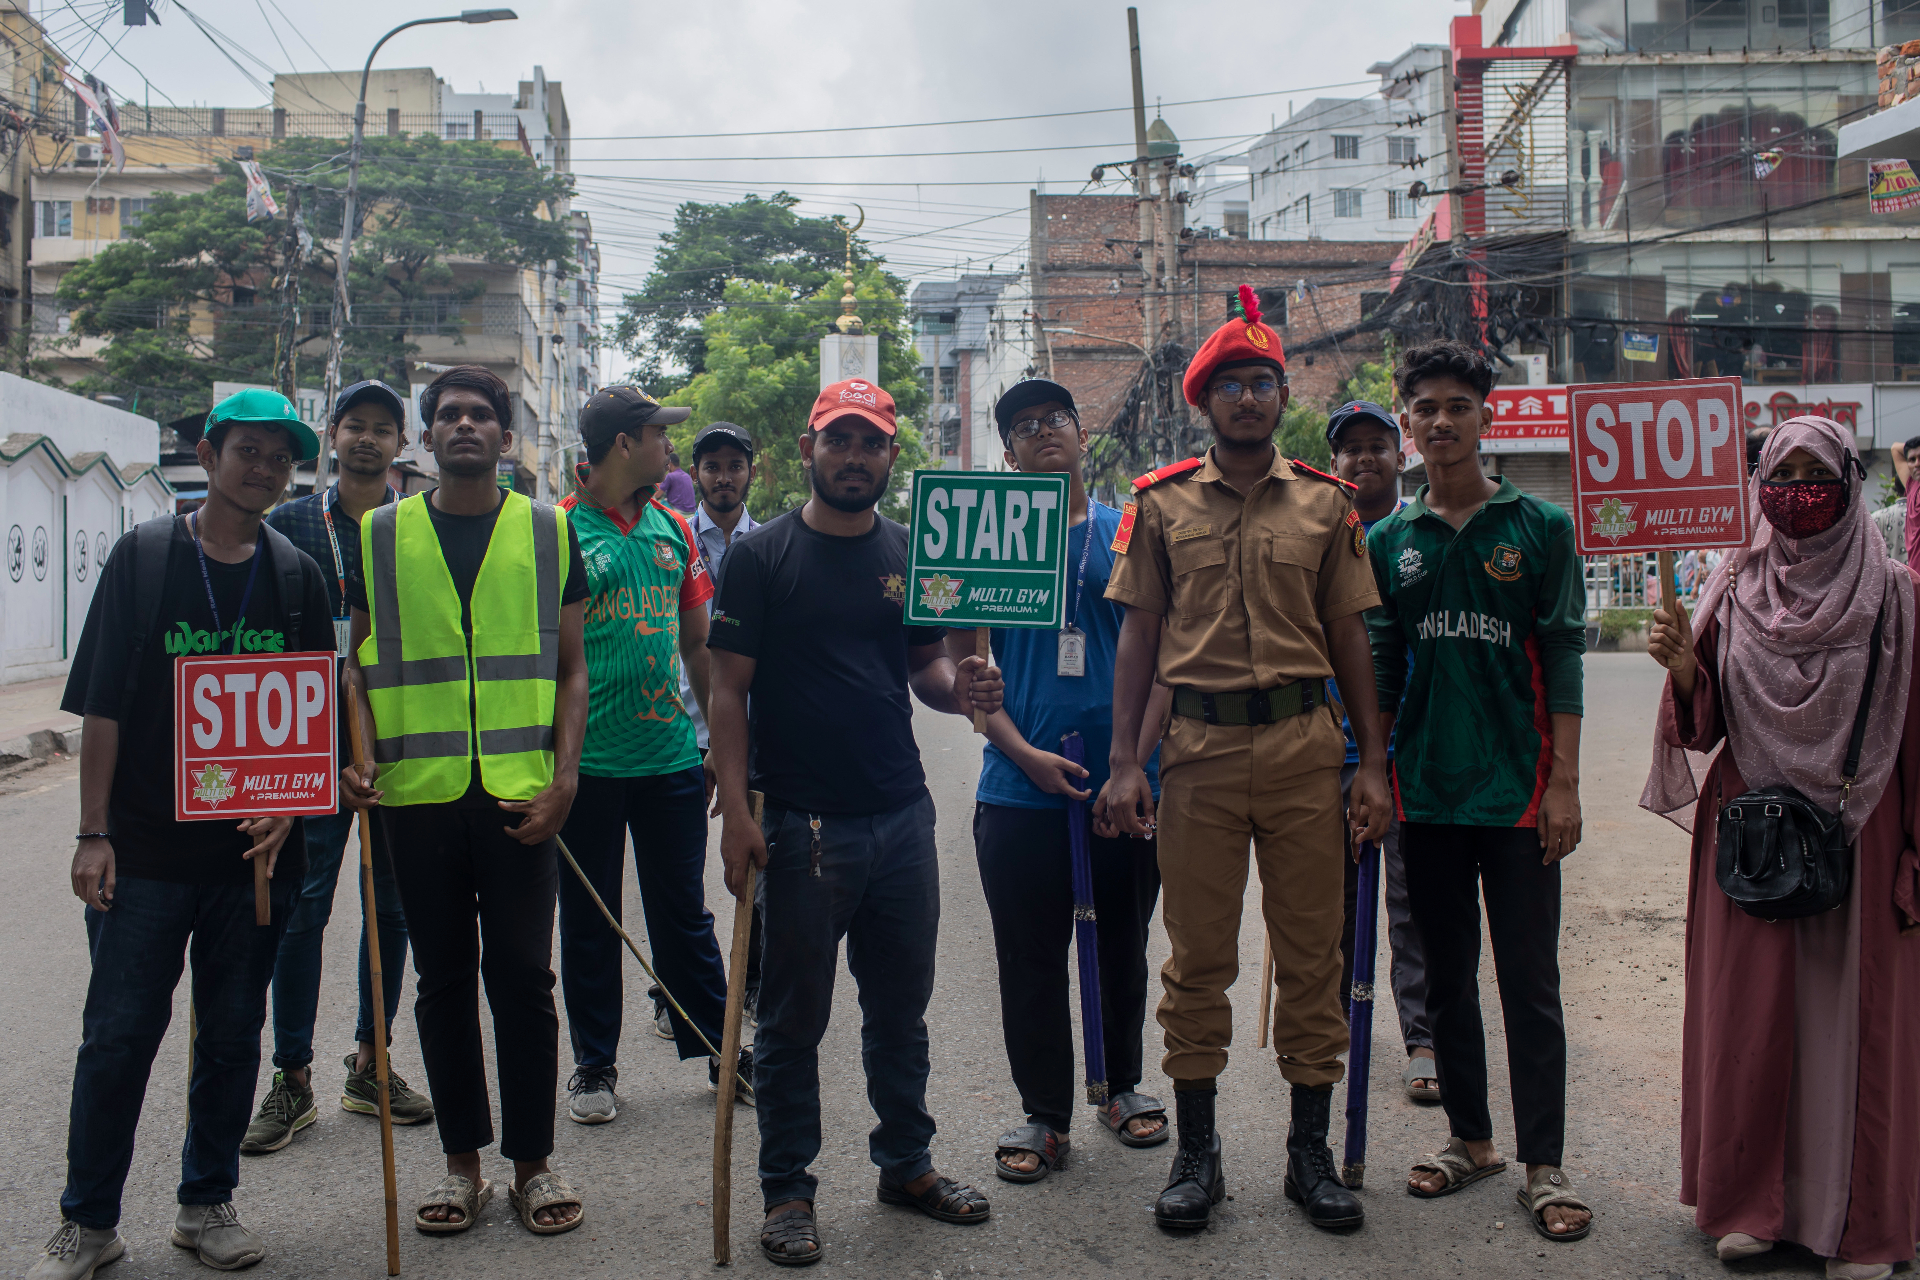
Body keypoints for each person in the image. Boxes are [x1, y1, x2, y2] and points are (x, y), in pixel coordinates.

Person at [31, 390, 334, 1279]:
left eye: (281, 457)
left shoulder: (295, 576)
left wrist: (292, 800)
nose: (265, 469)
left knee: (235, 1034)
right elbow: (103, 704)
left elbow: (312, 723)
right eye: (249, 451)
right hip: (149, 854)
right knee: (119, 1035)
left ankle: (207, 1205)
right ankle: (87, 1224)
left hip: (254, 860)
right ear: (208, 453)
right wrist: (93, 833)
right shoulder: (145, 558)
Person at [1104, 287, 1389, 1233]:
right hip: (1197, 756)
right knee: (1196, 959)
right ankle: (1198, 1154)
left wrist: (1373, 765)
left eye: (1264, 382)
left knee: (1314, 955)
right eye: (1232, 384)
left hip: (1308, 751)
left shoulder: (1325, 504)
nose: (1250, 398)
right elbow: (1138, 643)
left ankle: (1309, 1156)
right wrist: (1123, 763)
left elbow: (1351, 642)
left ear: (1280, 396)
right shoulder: (1158, 506)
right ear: (1207, 402)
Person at [708, 377, 1005, 1267]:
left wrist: (970, 691)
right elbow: (726, 690)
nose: (854, 457)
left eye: (870, 442)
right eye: (837, 440)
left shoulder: (914, 552)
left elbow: (927, 674)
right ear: (808, 450)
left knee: (900, 1013)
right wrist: (733, 813)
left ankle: (906, 1165)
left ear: (889, 455)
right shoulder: (759, 557)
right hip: (798, 822)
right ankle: (788, 1193)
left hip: (902, 816)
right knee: (795, 1022)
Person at [1644, 416, 1920, 1280]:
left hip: (1863, 830)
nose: (1798, 488)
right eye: (1781, 470)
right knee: (1754, 1025)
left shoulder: (1901, 595)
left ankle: (1859, 1221)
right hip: (1754, 837)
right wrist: (1685, 668)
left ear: (1849, 482)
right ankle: (1752, 1208)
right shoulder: (1733, 587)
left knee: (1854, 1029)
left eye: (1816, 471)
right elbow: (1704, 726)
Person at [342, 365, 590, 1238]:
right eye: (448, 415)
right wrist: (360, 756)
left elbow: (569, 669)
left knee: (523, 980)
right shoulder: (378, 536)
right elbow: (355, 663)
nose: (465, 426)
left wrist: (566, 780)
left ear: (507, 437)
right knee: (442, 986)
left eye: (482, 415)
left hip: (523, 799)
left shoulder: (551, 533)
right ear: (427, 435)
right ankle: (461, 1168)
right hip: (416, 798)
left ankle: (532, 1164)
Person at [1366, 341, 1591, 1242]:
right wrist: (1374, 775)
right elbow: (1380, 665)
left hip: (1520, 793)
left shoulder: (1539, 528)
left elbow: (1567, 654)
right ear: (1406, 419)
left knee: (1530, 981)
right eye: (1427, 406)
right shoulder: (1389, 542)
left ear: (1485, 417)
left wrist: (1564, 782)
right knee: (1448, 982)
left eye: (1461, 405)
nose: (1443, 421)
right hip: (1425, 793)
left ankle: (1546, 1161)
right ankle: (1472, 1139)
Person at [949, 378, 1171, 1187]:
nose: (1045, 432)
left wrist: (1133, 765)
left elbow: (1167, 663)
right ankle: (1044, 1113)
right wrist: (1020, 752)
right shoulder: (986, 541)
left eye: (1058, 420)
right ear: (1008, 453)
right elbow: (972, 677)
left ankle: (1120, 1085)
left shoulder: (1129, 533)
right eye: (1025, 427)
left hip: (1125, 784)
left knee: (1123, 944)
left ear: (1082, 435)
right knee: (1030, 956)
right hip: (1018, 785)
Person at [244, 379, 432, 1156]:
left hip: (397, 751)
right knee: (304, 909)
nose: (367, 439)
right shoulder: (285, 524)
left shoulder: (415, 527)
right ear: (332, 435)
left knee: (390, 912)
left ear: (398, 445)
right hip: (306, 754)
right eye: (354, 426)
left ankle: (370, 1060)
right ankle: (291, 1076)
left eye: (382, 429)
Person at [555, 386, 746, 1126]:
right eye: (658, 434)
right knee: (591, 917)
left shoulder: (674, 531)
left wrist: (718, 749)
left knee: (683, 916)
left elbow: (699, 646)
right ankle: (593, 1066)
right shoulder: (559, 530)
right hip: (588, 765)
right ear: (623, 444)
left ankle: (717, 1048)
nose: (671, 446)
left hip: (670, 757)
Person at [1323, 399, 1437, 1105]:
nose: (1365, 458)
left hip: (1411, 746)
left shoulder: (1418, 535)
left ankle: (1423, 1036)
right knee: (1329, 897)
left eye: (1378, 446)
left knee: (1413, 899)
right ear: (1334, 463)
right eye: (1351, 449)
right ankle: (1335, 1017)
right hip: (1330, 746)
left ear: (1402, 457)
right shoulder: (1320, 535)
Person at [678, 421, 764, 1027]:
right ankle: (679, 990)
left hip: (753, 728)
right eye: (712, 466)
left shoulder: (774, 543)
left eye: (735, 465)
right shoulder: (673, 541)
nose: (724, 476)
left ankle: (750, 979)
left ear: (750, 473)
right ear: (697, 474)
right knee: (678, 875)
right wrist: (704, 735)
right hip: (680, 727)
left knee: (753, 864)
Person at [659, 448, 697, 515]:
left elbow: (657, 495)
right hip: (692, 511)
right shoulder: (687, 476)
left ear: (670, 464)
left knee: (659, 503)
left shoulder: (670, 476)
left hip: (679, 511)